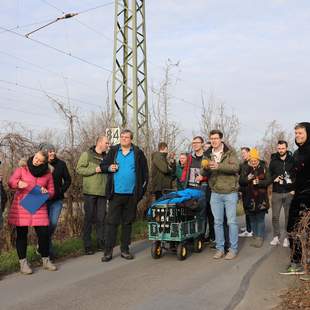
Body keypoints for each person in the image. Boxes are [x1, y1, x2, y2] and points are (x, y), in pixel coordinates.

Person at [100, 129, 148, 262]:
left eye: (126, 137)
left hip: (131, 195)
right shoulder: (114, 151)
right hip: (115, 194)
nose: (124, 139)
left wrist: (139, 194)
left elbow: (145, 175)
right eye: (122, 137)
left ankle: (125, 250)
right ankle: (108, 252)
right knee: (111, 223)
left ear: (131, 139)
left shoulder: (138, 153)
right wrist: (109, 168)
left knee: (127, 223)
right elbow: (103, 166)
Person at [8, 150, 56, 274]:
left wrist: (48, 193)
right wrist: (18, 183)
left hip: (38, 206)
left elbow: (52, 191)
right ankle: (23, 264)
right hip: (22, 207)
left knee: (44, 234)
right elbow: (11, 182)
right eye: (35, 158)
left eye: (39, 160)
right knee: (22, 235)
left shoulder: (48, 174)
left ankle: (46, 260)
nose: (36, 161)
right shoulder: (22, 169)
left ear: (44, 163)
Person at [201, 129, 239, 260]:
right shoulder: (207, 154)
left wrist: (219, 166)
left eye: (216, 138)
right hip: (215, 193)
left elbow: (235, 168)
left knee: (231, 221)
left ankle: (233, 249)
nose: (213, 141)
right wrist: (205, 168)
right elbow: (203, 173)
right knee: (217, 222)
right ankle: (220, 249)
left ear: (221, 139)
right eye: (211, 139)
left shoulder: (230, 152)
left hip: (230, 192)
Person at [76, 135, 109, 255]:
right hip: (90, 192)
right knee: (89, 219)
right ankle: (88, 245)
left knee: (101, 219)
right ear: (100, 143)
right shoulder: (87, 154)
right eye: (106, 143)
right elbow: (79, 169)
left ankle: (101, 243)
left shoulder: (107, 157)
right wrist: (94, 170)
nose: (108, 145)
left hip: (103, 192)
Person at [284, 122, 310, 275]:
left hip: (308, 196)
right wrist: (290, 184)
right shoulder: (297, 152)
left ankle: (303, 265)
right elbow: (294, 174)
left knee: (305, 230)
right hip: (299, 195)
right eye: (296, 133)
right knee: (292, 229)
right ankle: (297, 262)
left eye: (300, 133)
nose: (297, 136)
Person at [39, 143, 71, 259]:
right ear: (44, 153)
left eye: (53, 150)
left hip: (57, 200)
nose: (52, 153)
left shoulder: (61, 164)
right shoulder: (41, 165)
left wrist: (61, 190)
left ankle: (42, 246)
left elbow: (68, 180)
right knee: (45, 225)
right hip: (43, 200)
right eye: (49, 151)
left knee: (52, 224)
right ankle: (47, 251)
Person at [239, 148, 272, 248]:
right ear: (249, 160)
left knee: (260, 219)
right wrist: (247, 178)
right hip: (249, 198)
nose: (253, 162)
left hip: (261, 198)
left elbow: (269, 181)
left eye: (255, 160)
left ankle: (260, 237)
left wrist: (260, 182)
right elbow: (241, 182)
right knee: (252, 218)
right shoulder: (245, 168)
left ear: (258, 159)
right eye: (251, 160)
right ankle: (255, 235)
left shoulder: (264, 167)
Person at [269, 140, 295, 248]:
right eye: (279, 148)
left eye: (283, 148)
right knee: (275, 216)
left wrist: (294, 189)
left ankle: (286, 238)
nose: (281, 150)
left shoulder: (292, 160)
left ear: (286, 148)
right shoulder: (273, 161)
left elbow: (296, 175)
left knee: (288, 217)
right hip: (276, 192)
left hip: (289, 192)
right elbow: (268, 176)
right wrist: (274, 178)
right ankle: (276, 236)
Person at [238, 147, 253, 238]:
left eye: (244, 153)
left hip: (250, 190)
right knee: (246, 209)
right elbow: (241, 178)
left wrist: (245, 180)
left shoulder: (251, 164)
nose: (242, 155)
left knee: (249, 209)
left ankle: (250, 230)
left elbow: (249, 179)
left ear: (249, 153)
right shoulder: (243, 164)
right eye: (242, 153)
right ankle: (248, 227)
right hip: (243, 190)